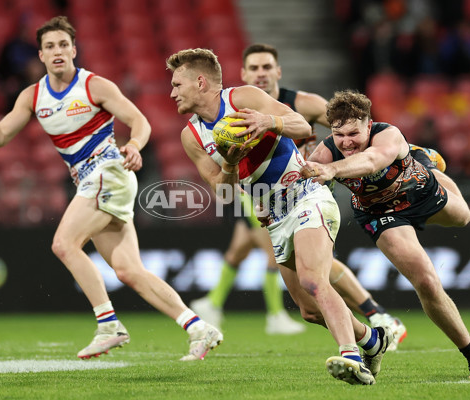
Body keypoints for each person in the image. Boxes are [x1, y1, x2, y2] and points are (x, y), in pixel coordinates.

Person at [0, 16, 222, 362]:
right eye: (49, 46)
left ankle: (108, 325)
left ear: (73, 49)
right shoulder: (33, 96)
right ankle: (197, 327)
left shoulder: (94, 86)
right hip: (90, 181)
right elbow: (0, 136)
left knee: (63, 244)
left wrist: (133, 145)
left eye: (63, 44)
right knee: (129, 271)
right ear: (40, 56)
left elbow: (140, 122)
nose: (57, 51)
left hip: (108, 172)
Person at [167, 48, 393, 385]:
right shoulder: (191, 135)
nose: (172, 92)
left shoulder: (243, 97)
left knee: (313, 279)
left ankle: (351, 357)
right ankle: (371, 340)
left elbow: (301, 124)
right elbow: (222, 189)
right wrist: (230, 159)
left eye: (177, 84)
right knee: (309, 310)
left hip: (306, 194)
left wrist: (267, 120)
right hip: (273, 215)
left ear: (200, 82)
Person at [301, 89, 470, 379]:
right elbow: (310, 188)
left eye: (354, 133)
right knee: (427, 282)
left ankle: (423, 161)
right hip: (380, 214)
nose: (347, 142)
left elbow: (371, 161)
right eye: (339, 135)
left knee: (463, 218)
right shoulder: (325, 153)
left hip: (420, 191)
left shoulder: (387, 134)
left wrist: (331, 170)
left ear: (368, 125)